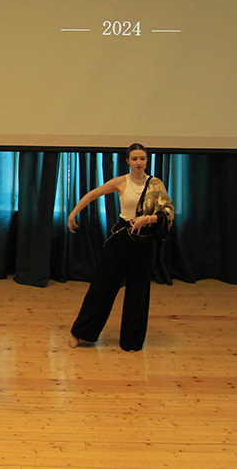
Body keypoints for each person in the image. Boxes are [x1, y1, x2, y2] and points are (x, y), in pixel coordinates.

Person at [66, 143, 175, 352]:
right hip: (122, 238)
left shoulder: (156, 184)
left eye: (142, 158)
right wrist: (73, 214)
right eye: (134, 159)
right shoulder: (121, 181)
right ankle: (80, 332)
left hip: (144, 242)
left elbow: (168, 212)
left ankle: (131, 341)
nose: (139, 162)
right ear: (128, 161)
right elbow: (92, 195)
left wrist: (146, 219)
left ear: (147, 160)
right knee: (102, 287)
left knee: (138, 292)